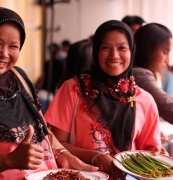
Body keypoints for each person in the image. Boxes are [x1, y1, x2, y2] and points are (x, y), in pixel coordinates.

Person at [44, 20, 167, 179]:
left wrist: (158, 152)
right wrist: (95, 156)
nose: (114, 55)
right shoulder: (73, 89)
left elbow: (149, 150)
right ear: (96, 52)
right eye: (105, 47)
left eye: (122, 48)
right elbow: (55, 145)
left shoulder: (144, 100)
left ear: (132, 52)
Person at [0, 6, 98, 180]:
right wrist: (8, 160)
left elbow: (42, 129)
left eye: (13, 46)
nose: (4, 54)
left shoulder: (19, 77)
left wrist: (64, 155)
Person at [133, 23, 173, 145]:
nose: (167, 60)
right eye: (165, 52)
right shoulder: (140, 75)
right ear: (148, 49)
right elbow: (167, 106)